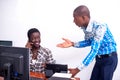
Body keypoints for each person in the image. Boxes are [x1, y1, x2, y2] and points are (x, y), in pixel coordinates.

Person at [56, 5, 118, 80]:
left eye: (75, 18)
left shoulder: (100, 26)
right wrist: (73, 44)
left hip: (109, 59)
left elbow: (94, 51)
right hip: (99, 59)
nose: (73, 21)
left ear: (83, 17)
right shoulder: (85, 28)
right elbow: (89, 41)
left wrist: (77, 70)